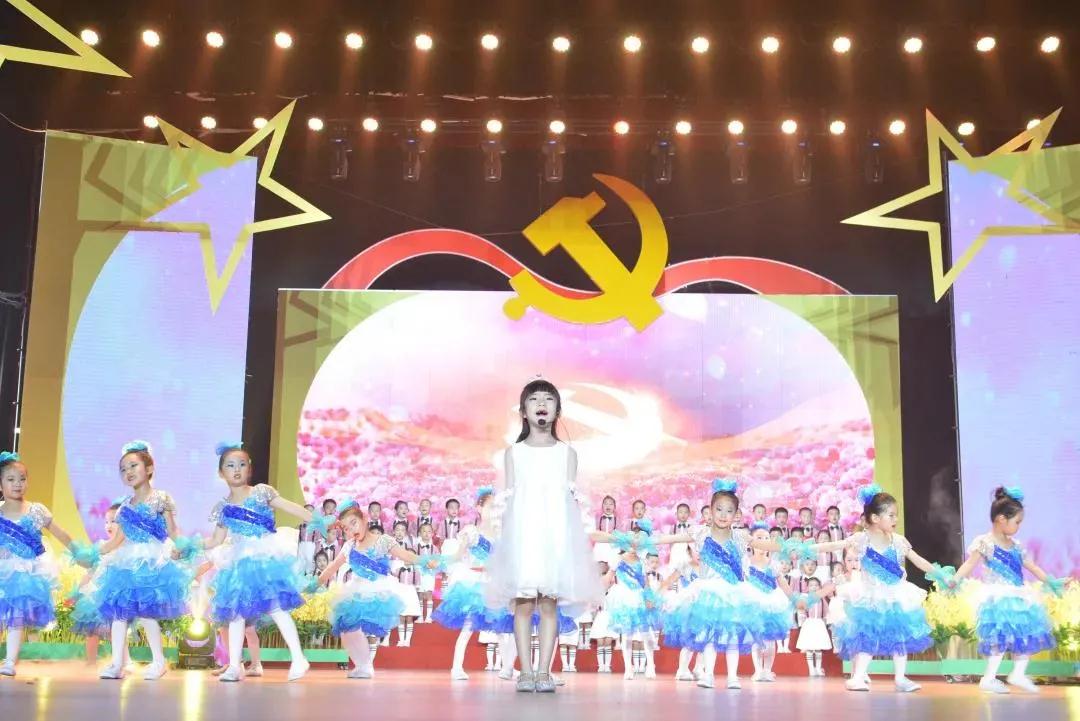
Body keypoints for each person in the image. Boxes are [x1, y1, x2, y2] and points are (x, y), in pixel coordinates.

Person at [486, 379, 602, 693]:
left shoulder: (567, 453)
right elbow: (508, 499)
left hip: (555, 536)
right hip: (523, 535)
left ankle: (544, 672)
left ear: (557, 410)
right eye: (534, 399)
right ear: (524, 411)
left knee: (549, 605)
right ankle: (525, 672)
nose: (541, 404)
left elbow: (570, 501)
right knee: (523, 604)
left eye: (548, 399)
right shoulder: (514, 452)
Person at [202, 443, 315, 682]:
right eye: (230, 465)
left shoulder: (261, 492)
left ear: (249, 469)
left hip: (264, 559)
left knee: (277, 608)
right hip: (239, 562)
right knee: (236, 613)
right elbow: (216, 540)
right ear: (221, 472)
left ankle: (298, 658)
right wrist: (190, 546)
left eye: (242, 464)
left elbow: (290, 507)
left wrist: (317, 520)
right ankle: (235, 666)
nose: (236, 469)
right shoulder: (223, 507)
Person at [814, 484, 941, 693]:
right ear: (874, 518)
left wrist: (941, 575)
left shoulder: (898, 541)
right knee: (868, 636)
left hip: (896, 595)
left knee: (900, 635)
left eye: (896, 515)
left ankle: (900, 678)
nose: (895, 519)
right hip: (871, 596)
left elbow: (919, 560)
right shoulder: (862, 539)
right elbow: (833, 546)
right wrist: (805, 548)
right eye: (891, 515)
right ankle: (857, 677)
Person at [88, 441, 192, 680]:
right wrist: (95, 552)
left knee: (147, 613)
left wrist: (182, 547)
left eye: (133, 466)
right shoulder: (124, 507)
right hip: (126, 563)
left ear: (149, 468)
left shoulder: (161, 498)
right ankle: (117, 664)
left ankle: (158, 662)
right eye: (123, 469)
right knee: (119, 613)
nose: (128, 472)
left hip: (152, 561)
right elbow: (117, 540)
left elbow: (172, 530)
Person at [950, 486, 1059, 694]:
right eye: (1017, 522)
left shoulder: (1016, 546)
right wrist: (954, 580)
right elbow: (969, 564)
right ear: (1001, 519)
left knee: (1024, 635)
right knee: (999, 639)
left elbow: (1031, 566)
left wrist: (1050, 581)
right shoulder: (985, 543)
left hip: (1019, 596)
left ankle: (1018, 673)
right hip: (998, 597)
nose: (1019, 526)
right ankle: (989, 678)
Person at [319, 500, 438, 679]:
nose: (351, 529)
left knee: (370, 630)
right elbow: (331, 567)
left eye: (354, 523)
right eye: (346, 528)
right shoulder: (349, 546)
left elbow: (406, 555)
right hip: (356, 588)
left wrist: (424, 561)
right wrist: (314, 584)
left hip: (378, 589)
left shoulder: (383, 541)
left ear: (364, 520)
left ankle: (367, 666)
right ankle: (363, 664)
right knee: (346, 628)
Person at [0, 451, 84, 677]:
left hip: (26, 573)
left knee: (16, 616)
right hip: (2, 570)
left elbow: (61, 534)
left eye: (22, 479)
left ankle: (10, 661)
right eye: (10, 479)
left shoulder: (36, 510)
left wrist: (79, 553)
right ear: (0, 484)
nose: (17, 484)